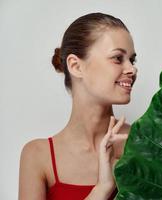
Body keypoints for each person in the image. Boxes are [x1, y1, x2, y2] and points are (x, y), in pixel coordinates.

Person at [18, 12, 138, 200]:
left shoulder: (144, 143)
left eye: (132, 59)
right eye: (117, 58)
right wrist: (102, 189)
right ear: (76, 66)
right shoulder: (37, 156)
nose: (132, 69)